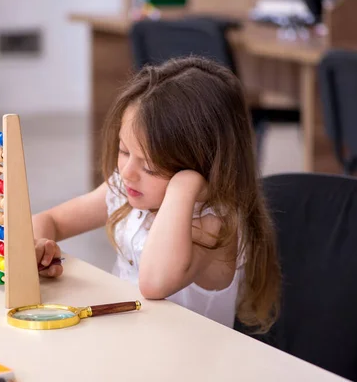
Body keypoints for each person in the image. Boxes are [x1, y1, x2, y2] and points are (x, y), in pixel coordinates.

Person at [31, 56, 282, 333]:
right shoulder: (129, 189)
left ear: (201, 170)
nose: (127, 172)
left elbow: (153, 283)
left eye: (149, 167)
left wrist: (184, 187)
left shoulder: (213, 226)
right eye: (124, 151)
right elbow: (51, 219)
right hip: (130, 342)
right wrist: (39, 245)